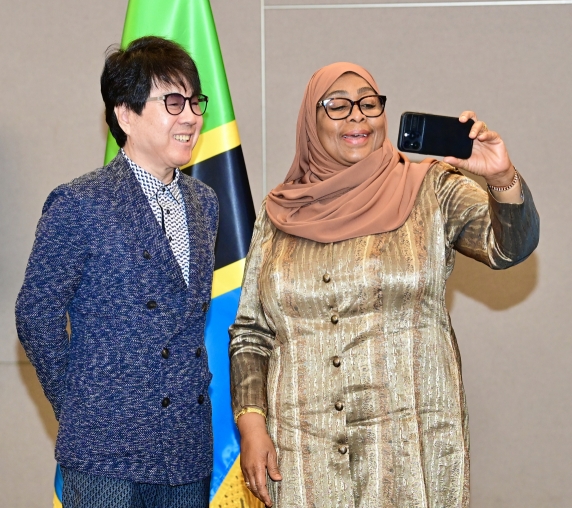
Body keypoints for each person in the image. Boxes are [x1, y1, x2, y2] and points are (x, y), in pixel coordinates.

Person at [228, 62, 539, 508]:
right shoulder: (279, 216)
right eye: (337, 105)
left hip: (409, 449)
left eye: (369, 103)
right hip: (302, 452)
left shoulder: (431, 188)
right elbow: (251, 333)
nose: (358, 116)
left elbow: (510, 247)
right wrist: (252, 426)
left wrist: (500, 176)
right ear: (310, 123)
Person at [16, 36, 218, 508]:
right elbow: (36, 314)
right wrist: (80, 407)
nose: (190, 115)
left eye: (194, 101)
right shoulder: (79, 202)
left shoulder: (205, 203)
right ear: (125, 114)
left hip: (187, 450)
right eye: (172, 102)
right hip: (104, 453)